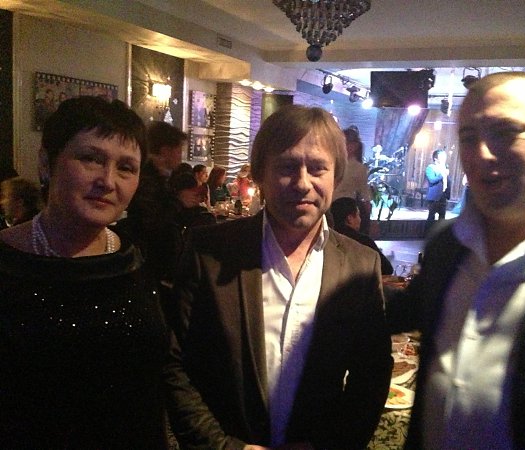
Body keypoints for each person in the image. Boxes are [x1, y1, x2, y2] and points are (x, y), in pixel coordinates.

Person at [388, 72, 525, 449]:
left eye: (506, 131)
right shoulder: (447, 243)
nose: (482, 153)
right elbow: (402, 313)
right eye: (469, 137)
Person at [165, 104, 392, 450]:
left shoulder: (361, 265)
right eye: (287, 167)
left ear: (336, 177)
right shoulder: (208, 251)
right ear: (260, 174)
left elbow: (371, 374)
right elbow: (175, 363)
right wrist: (223, 446)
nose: (302, 183)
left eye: (317, 168)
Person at [0, 96, 169, 448]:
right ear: (46, 162)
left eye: (126, 167)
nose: (108, 181)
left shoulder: (136, 258)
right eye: (91, 159)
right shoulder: (9, 261)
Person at [125, 120, 187, 286]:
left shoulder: (161, 176)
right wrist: (179, 202)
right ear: (166, 151)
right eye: (179, 150)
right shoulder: (147, 178)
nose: (181, 156)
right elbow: (151, 222)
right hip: (150, 266)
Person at [330, 197, 394, 275]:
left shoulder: (327, 239)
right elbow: (387, 269)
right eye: (358, 215)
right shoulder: (363, 241)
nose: (360, 220)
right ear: (350, 218)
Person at [333, 127, 372, 234]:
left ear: (354, 146)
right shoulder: (334, 163)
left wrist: (368, 218)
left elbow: (365, 194)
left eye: (345, 143)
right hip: (331, 207)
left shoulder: (359, 168)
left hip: (346, 210)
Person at [424, 148, 450, 232]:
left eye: (444, 156)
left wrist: (447, 193)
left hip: (443, 196)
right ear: (435, 158)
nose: (444, 158)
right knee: (431, 217)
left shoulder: (445, 168)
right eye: (441, 156)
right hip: (434, 197)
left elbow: (447, 182)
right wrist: (442, 174)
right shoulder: (430, 168)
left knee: (442, 218)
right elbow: (432, 180)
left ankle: (439, 236)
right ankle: (427, 235)